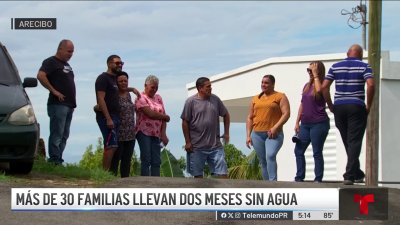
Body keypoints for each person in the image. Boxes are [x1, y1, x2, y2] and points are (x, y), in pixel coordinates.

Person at [322, 44, 375, 185]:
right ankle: (350, 175)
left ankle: (356, 172)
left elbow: (324, 87)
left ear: (347, 53)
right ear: (361, 54)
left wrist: (331, 105)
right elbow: (370, 84)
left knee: (348, 140)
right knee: (354, 141)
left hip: (339, 106)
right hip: (356, 106)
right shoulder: (364, 66)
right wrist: (369, 105)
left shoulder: (335, 66)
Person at [181, 77, 230, 178]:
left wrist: (226, 133)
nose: (210, 88)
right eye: (208, 86)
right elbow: (185, 122)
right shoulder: (190, 102)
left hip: (215, 146)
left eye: (210, 86)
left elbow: (226, 114)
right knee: (198, 177)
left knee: (223, 175)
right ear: (200, 88)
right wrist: (187, 142)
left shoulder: (215, 99)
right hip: (197, 147)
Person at [37, 39, 76, 165]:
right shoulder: (51, 62)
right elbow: (41, 75)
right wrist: (54, 91)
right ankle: (54, 159)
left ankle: (58, 157)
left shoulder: (67, 65)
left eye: (72, 52)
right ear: (60, 49)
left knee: (65, 134)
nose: (71, 54)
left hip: (69, 105)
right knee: (57, 132)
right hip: (58, 104)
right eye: (69, 51)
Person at [246, 74, 290, 181]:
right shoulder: (255, 99)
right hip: (257, 134)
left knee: (270, 155)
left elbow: (286, 114)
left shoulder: (280, 96)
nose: (263, 85)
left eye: (266, 83)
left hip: (273, 134)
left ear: (273, 84)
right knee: (263, 160)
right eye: (262, 82)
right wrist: (248, 135)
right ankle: (266, 185)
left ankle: (273, 183)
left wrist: (275, 127)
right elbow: (250, 118)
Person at [293, 61, 330, 183]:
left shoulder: (322, 84)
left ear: (318, 71)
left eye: (312, 70)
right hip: (305, 124)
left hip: (319, 123)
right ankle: (299, 177)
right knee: (298, 150)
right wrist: (297, 121)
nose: (309, 72)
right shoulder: (306, 86)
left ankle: (318, 178)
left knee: (317, 151)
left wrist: (315, 75)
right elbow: (302, 104)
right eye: (308, 70)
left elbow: (319, 91)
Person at [135, 75, 170, 176]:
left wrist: (163, 133)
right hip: (143, 132)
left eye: (156, 87)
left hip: (156, 133)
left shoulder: (158, 98)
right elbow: (150, 113)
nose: (154, 90)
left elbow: (163, 116)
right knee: (146, 158)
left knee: (156, 160)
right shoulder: (140, 98)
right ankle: (145, 183)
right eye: (152, 87)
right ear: (145, 86)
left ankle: (156, 183)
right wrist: (165, 117)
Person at [95, 55, 124, 171]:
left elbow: (121, 89)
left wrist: (131, 89)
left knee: (114, 146)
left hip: (116, 116)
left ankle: (108, 173)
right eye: (117, 63)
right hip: (107, 116)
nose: (120, 65)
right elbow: (100, 98)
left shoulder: (114, 79)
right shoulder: (103, 78)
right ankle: (104, 173)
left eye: (121, 63)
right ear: (109, 64)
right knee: (110, 146)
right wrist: (108, 118)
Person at [110, 71, 137, 178]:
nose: (123, 83)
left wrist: (131, 89)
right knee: (116, 159)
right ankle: (111, 182)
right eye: (120, 81)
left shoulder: (128, 94)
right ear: (116, 82)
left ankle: (125, 183)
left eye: (125, 81)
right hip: (119, 133)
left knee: (127, 160)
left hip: (130, 133)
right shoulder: (114, 95)